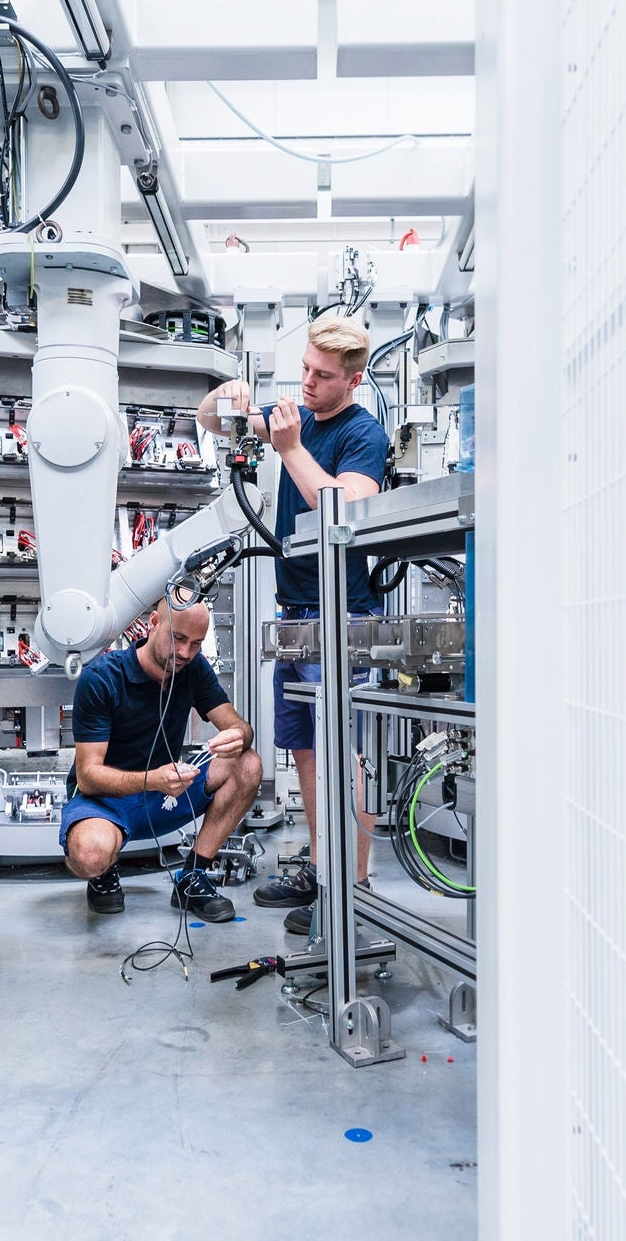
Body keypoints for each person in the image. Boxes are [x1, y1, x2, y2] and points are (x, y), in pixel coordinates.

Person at [197, 313, 389, 935]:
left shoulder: (363, 434)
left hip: (344, 613)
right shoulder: (296, 417)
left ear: (353, 380)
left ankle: (352, 887)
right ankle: (322, 868)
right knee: (306, 749)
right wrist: (228, 395)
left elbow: (342, 508)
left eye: (322, 375)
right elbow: (210, 420)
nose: (307, 382)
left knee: (345, 756)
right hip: (297, 612)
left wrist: (291, 449)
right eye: (305, 368)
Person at [59, 600, 263, 923]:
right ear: (153, 623)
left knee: (248, 764)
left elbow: (237, 725)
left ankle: (192, 877)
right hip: (106, 801)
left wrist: (239, 735)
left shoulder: (193, 668)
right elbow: (88, 776)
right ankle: (103, 873)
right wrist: (152, 779)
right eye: (178, 638)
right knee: (89, 854)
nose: (185, 652)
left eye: (195, 644)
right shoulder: (101, 678)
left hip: (164, 793)